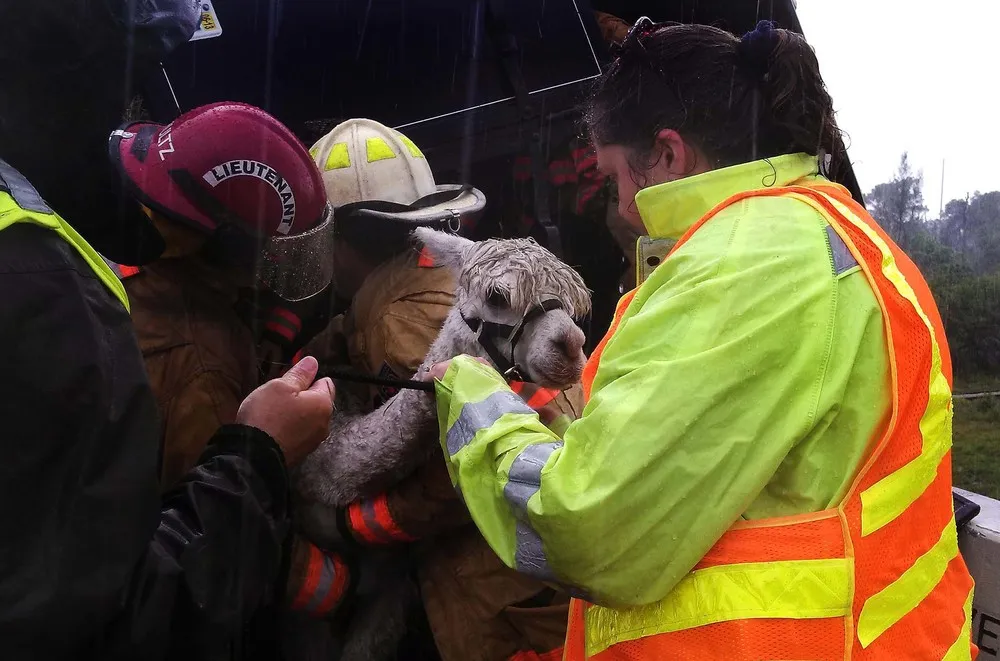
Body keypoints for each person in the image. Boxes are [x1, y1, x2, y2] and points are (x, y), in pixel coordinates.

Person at [426, 19, 976, 660]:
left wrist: (470, 396)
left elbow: (588, 527)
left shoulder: (747, 263)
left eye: (615, 177)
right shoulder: (832, 228)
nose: (622, 205)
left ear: (666, 154)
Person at [0, 153, 336, 658]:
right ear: (236, 246)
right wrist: (262, 452)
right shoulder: (206, 367)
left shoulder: (117, 280)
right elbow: (202, 558)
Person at [299, 119, 583, 660]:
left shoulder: (398, 319)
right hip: (531, 578)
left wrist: (349, 524)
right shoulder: (438, 281)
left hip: (502, 596)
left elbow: (463, 468)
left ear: (336, 239)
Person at [107, 101, 335, 488]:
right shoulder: (204, 372)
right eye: (271, 252)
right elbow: (215, 527)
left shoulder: (125, 245)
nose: (274, 265)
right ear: (230, 249)